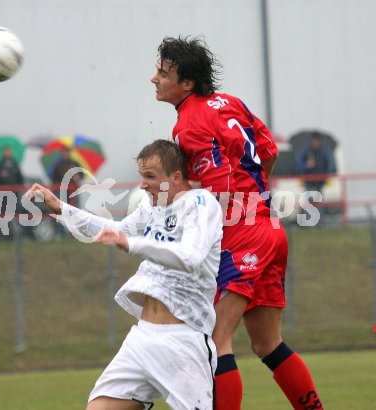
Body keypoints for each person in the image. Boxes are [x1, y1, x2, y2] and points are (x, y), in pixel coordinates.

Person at [151, 36, 323, 409]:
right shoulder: (229, 103)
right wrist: (254, 198)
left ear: (186, 84)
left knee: (216, 340)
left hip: (242, 235)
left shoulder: (189, 124)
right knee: (266, 344)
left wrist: (213, 225)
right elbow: (269, 151)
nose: (154, 79)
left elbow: (219, 184)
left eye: (163, 73)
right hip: (269, 228)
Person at [26, 139, 223, 410]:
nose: (142, 184)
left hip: (183, 342)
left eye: (150, 176)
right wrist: (61, 208)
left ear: (176, 177)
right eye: (142, 176)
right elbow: (114, 229)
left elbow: (190, 257)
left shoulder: (201, 203)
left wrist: (132, 244)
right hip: (142, 338)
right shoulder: (151, 207)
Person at [0, 146, 24, 213]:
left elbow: (19, 177)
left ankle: (13, 222)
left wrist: (20, 187)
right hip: (2, 192)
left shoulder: (15, 164)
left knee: (14, 210)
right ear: (3, 152)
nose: (7, 153)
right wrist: (0, 175)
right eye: (6, 151)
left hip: (13, 192)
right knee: (3, 211)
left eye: (8, 151)